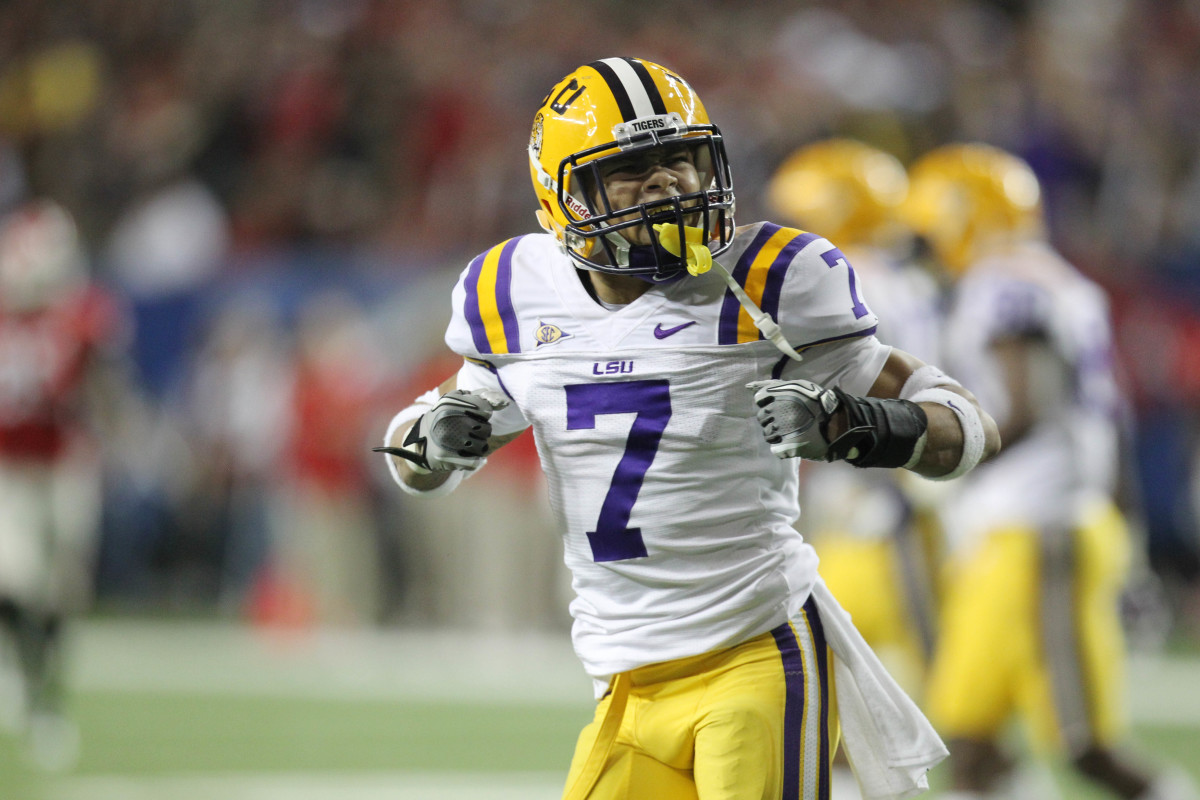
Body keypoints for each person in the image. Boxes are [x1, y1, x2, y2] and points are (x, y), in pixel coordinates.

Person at [377, 58, 1000, 800]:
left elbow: (967, 426)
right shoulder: (513, 291)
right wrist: (435, 442)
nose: (668, 183)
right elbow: (420, 447)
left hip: (755, 649)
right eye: (632, 168)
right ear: (564, 194)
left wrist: (857, 426)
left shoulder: (770, 280)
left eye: (681, 158)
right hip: (624, 674)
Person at [904, 143, 1199, 800]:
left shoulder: (1006, 283)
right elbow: (1108, 419)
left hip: (1038, 529)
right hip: (1019, 530)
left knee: (1084, 745)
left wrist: (946, 458)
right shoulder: (1058, 280)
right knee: (969, 733)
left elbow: (1024, 403)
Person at [0, 199, 130, 769]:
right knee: (15, 577)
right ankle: (35, 694)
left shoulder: (81, 315)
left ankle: (43, 687)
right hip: (8, 468)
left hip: (66, 464)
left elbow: (105, 390)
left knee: (60, 590)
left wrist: (114, 426)